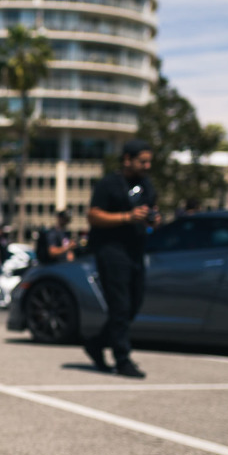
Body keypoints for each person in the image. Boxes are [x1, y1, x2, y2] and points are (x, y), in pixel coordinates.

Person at [82, 139, 158, 378]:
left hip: (136, 251)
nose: (147, 166)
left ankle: (96, 344)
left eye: (149, 161)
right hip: (111, 251)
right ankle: (122, 359)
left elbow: (151, 211)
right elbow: (93, 216)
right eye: (142, 161)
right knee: (120, 306)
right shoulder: (110, 184)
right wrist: (127, 216)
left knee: (133, 305)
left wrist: (153, 219)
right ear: (127, 160)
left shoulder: (147, 185)